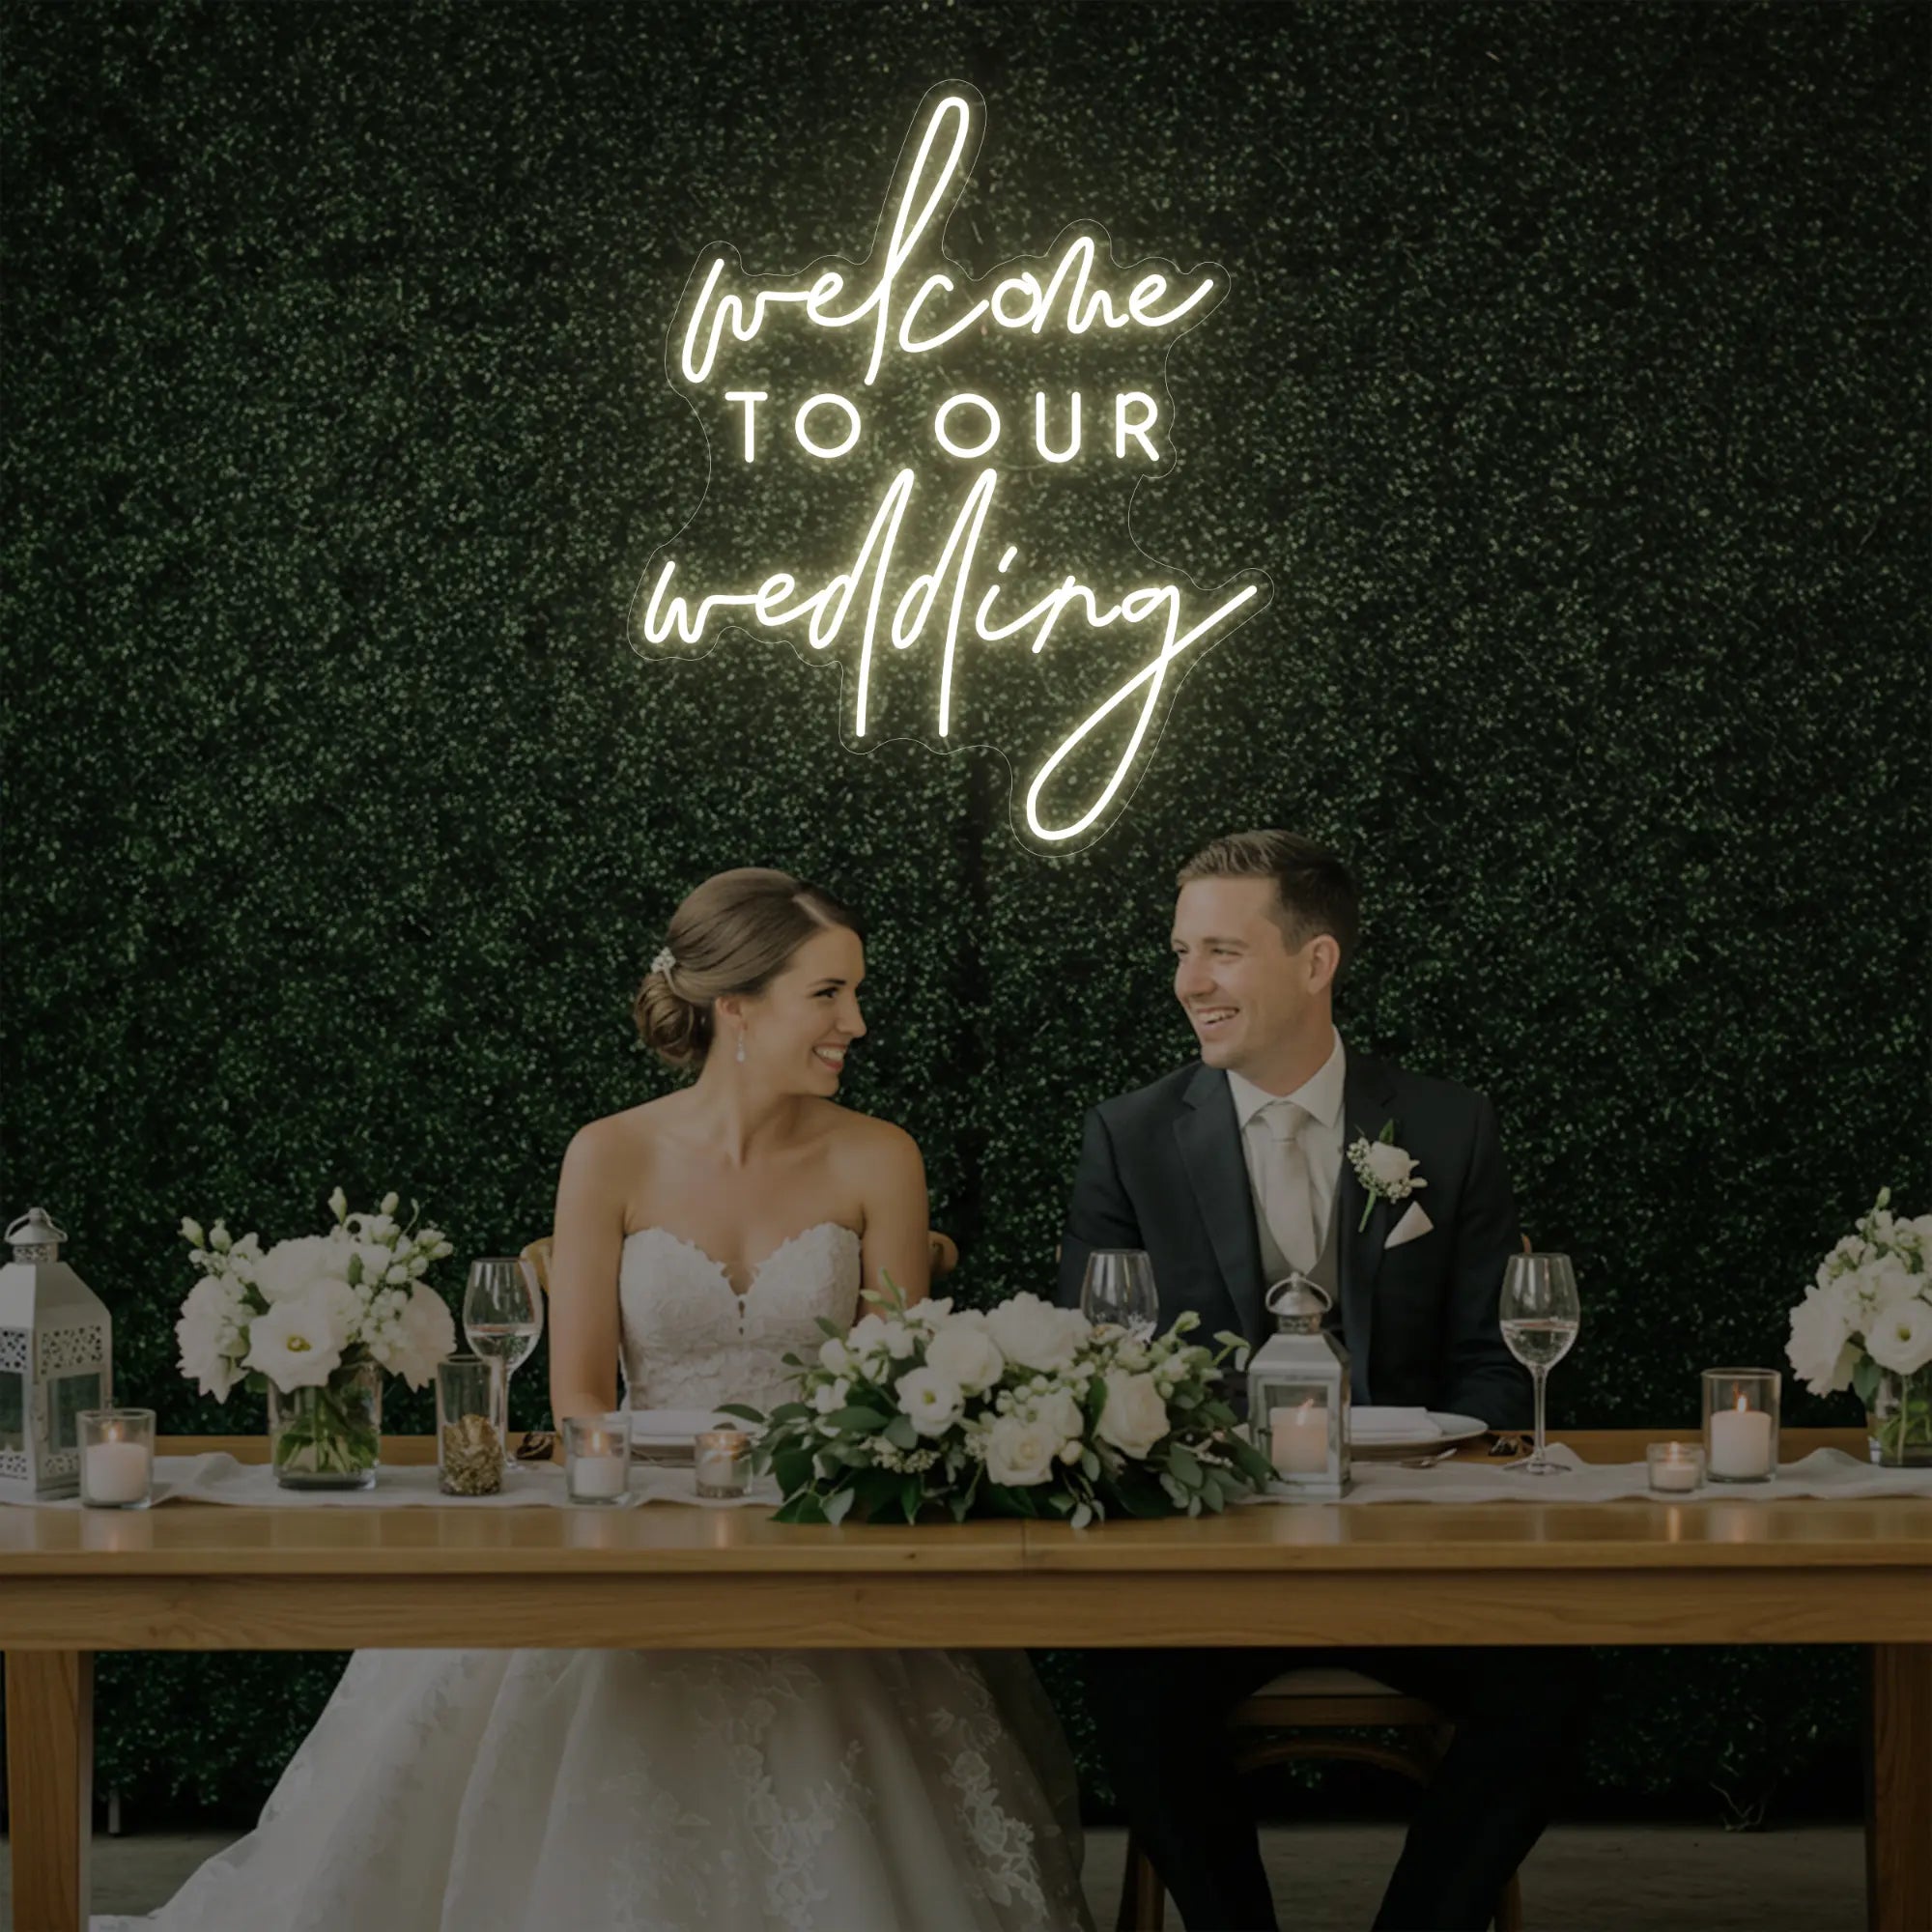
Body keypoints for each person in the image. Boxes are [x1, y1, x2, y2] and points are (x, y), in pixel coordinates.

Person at [109, 868, 1090, 1932]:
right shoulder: (609, 1152)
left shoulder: (880, 1155)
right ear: (735, 1007)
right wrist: (654, 1499)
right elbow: (578, 1389)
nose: (855, 1020)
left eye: (853, 993)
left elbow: (888, 1388)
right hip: (625, 1510)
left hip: (813, 1529)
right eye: (828, 993)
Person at [1058, 831, 1591, 1932]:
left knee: (1552, 1686)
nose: (1187, 983)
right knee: (1132, 1689)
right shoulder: (1130, 1136)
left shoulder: (1446, 1125)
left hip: (1413, 1549)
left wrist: (1415, 1465)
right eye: (1179, 951)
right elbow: (1098, 1366)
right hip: (1210, 1563)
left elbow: (1497, 1359)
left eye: (1219, 951)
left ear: (1315, 962)